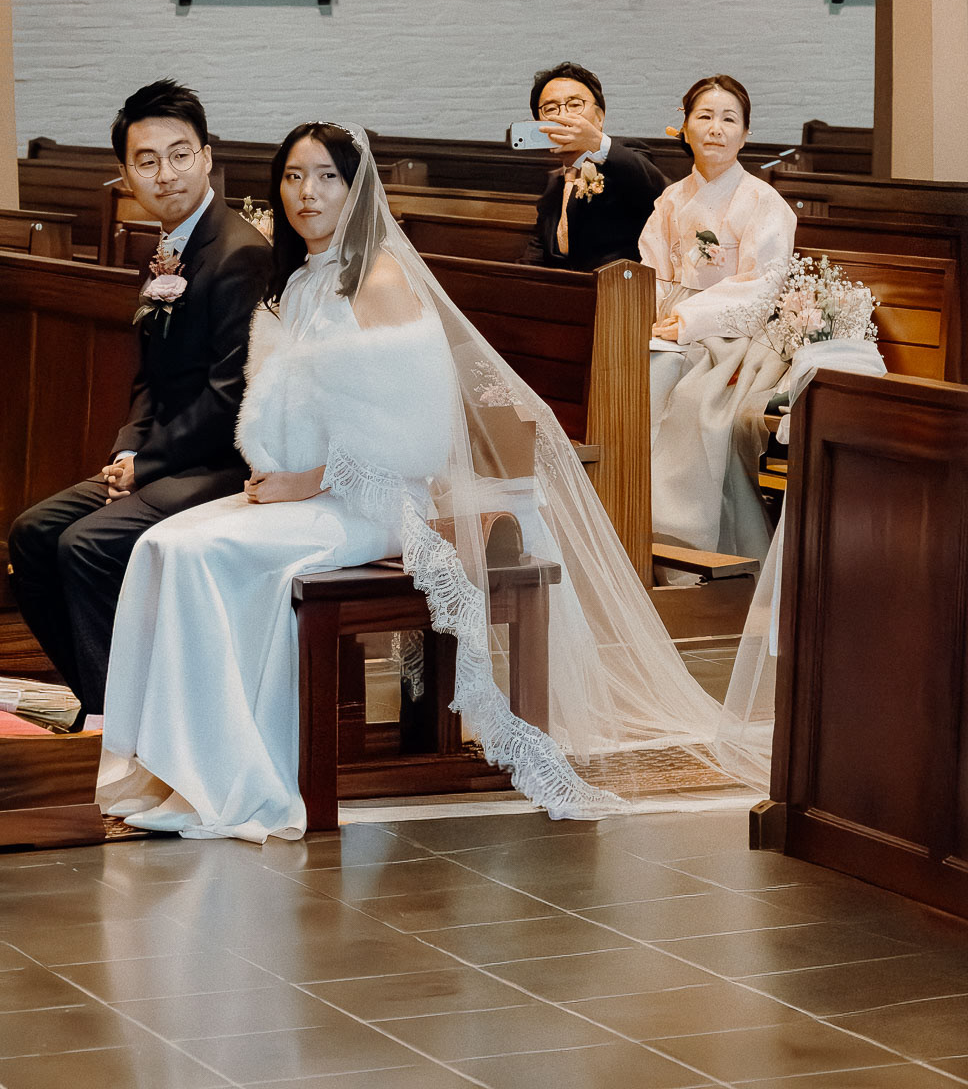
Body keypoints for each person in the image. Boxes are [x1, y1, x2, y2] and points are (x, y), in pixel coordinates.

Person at [98, 122, 722, 841]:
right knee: (162, 542)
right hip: (312, 491)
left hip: (374, 502)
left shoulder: (380, 281)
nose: (308, 193)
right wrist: (275, 471)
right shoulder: (299, 277)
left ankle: (227, 776)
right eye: (295, 176)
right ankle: (168, 766)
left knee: (203, 555)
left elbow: (417, 440)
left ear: (358, 187)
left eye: (328, 176)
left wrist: (309, 481)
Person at [8, 80, 271, 721]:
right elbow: (151, 377)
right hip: (165, 455)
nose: (166, 174)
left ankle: (129, 725)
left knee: (87, 545)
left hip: (223, 463)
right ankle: (105, 702)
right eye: (146, 160)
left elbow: (230, 394)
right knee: (33, 534)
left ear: (208, 157)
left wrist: (145, 464)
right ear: (125, 173)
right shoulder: (167, 248)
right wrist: (127, 447)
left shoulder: (238, 253)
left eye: (180, 155)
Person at [639, 76, 797, 564]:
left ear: (745, 134)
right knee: (631, 369)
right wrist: (658, 315)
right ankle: (629, 522)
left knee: (674, 387)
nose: (716, 129)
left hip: (731, 334)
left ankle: (682, 538)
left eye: (729, 119)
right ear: (684, 127)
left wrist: (689, 320)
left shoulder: (764, 203)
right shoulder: (670, 199)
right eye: (704, 116)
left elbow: (760, 289)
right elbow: (652, 271)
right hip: (670, 325)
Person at [524, 62, 665, 270]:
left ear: (599, 118)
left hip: (618, 289)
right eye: (551, 109)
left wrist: (596, 143)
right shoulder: (555, 184)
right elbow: (541, 251)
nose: (563, 117)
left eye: (574, 105)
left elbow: (658, 190)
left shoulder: (625, 157)